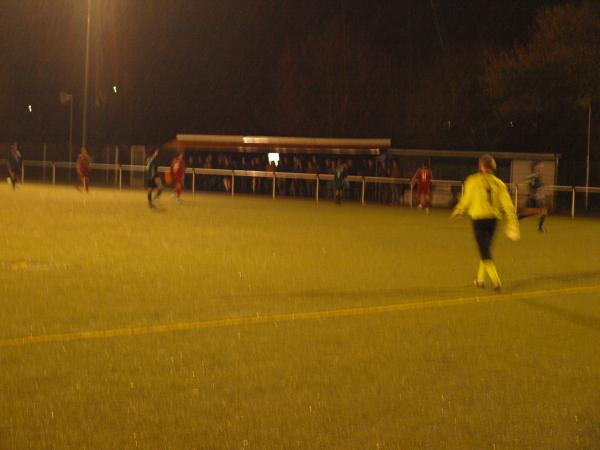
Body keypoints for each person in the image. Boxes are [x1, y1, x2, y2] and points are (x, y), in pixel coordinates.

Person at [451, 154, 520, 291]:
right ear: (493, 167)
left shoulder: (473, 180)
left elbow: (467, 199)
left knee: (484, 251)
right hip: (493, 221)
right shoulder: (499, 183)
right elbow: (508, 205)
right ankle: (480, 280)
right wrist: (513, 222)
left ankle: (496, 281)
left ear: (481, 166)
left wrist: (459, 209)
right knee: (486, 249)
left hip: (479, 220)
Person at [518, 161, 547, 232]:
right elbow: (531, 184)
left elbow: (531, 182)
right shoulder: (534, 176)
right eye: (539, 166)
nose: (541, 168)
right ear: (535, 167)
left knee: (541, 212)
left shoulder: (537, 176)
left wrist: (542, 184)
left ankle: (520, 217)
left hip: (538, 196)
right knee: (541, 211)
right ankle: (539, 227)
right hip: (536, 197)